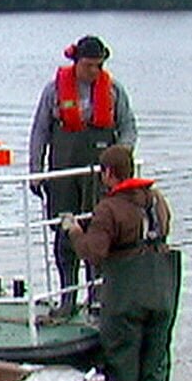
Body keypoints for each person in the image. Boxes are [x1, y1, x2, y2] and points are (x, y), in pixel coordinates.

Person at [63, 144, 177, 381]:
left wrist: (75, 231)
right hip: (163, 292)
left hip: (127, 298)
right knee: (156, 365)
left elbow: (95, 253)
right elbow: (164, 230)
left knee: (123, 366)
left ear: (109, 174)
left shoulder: (109, 209)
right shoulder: (157, 200)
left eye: (103, 173)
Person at [28, 35, 137, 316]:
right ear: (76, 62)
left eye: (99, 66)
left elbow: (128, 129)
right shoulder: (53, 91)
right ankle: (67, 298)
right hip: (63, 174)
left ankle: (96, 297)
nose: (94, 71)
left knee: (98, 233)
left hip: (99, 177)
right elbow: (40, 132)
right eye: (89, 65)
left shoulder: (114, 91)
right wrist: (36, 173)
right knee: (65, 235)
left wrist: (121, 159)